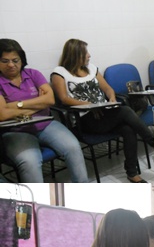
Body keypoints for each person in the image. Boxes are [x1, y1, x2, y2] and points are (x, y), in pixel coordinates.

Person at [51, 38, 154, 183]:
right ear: (75, 54)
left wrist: (111, 98)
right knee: (125, 111)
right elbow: (64, 99)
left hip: (104, 114)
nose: (89, 55)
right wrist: (89, 105)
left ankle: (132, 173)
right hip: (84, 119)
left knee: (128, 129)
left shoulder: (91, 69)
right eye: (85, 53)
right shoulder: (60, 73)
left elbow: (107, 88)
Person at [0, 38, 88, 183]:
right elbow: (3, 114)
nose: (11, 65)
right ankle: (37, 198)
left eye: (15, 60)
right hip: (16, 132)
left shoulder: (33, 74)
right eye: (4, 61)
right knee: (30, 162)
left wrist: (15, 105)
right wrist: (39, 104)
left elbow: (50, 100)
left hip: (46, 124)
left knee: (73, 147)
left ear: (22, 60)